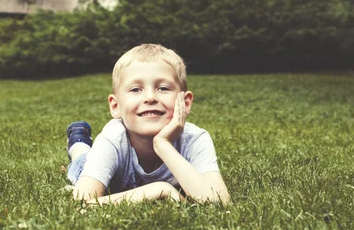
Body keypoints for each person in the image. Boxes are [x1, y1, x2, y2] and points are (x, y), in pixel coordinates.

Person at [65, 43, 231, 205]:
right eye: (136, 89)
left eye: (163, 88)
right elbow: (82, 202)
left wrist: (162, 144)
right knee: (81, 161)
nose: (150, 97)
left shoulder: (194, 139)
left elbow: (219, 201)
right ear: (116, 107)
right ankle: (78, 142)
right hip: (96, 160)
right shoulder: (112, 139)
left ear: (186, 103)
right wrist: (161, 189)